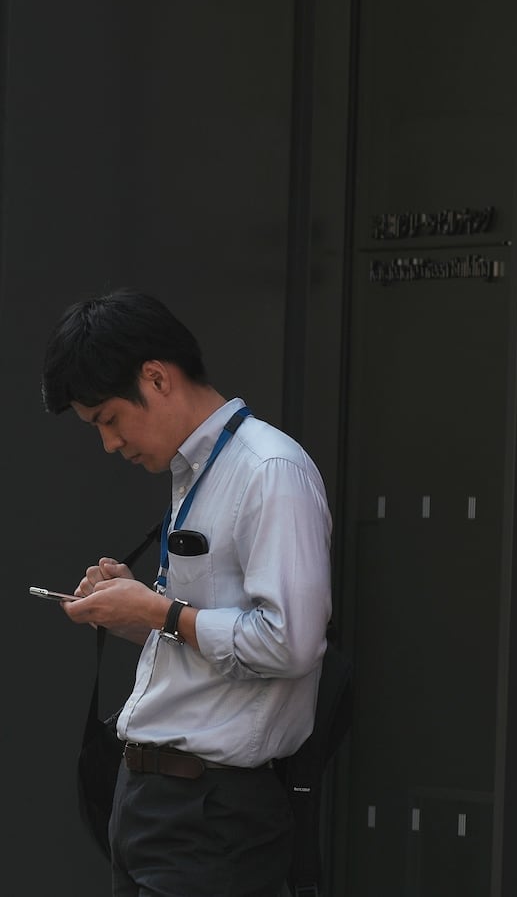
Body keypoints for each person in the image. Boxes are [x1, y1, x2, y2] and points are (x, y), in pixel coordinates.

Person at [41, 289, 332, 897]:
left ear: (156, 377)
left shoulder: (269, 470)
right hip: (156, 801)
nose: (110, 444)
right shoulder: (195, 471)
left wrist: (156, 608)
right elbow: (203, 629)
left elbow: (290, 643)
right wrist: (129, 608)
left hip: (214, 807)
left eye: (109, 419)